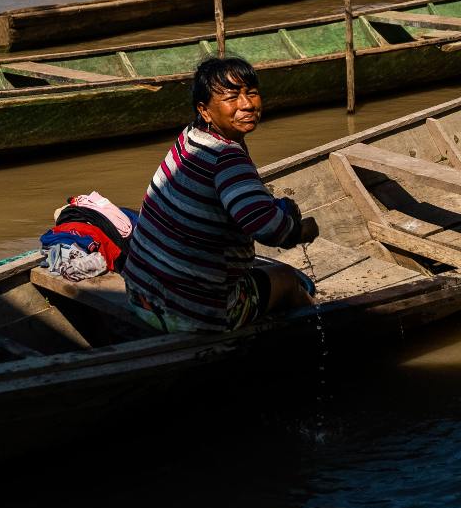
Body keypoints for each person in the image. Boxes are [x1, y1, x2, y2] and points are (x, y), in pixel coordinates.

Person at [121, 57, 319, 333]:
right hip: (191, 312)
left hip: (138, 293)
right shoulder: (227, 157)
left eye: (251, 93)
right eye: (231, 98)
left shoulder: (191, 137)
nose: (247, 105)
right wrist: (301, 230)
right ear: (205, 110)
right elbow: (267, 228)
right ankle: (320, 351)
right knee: (287, 279)